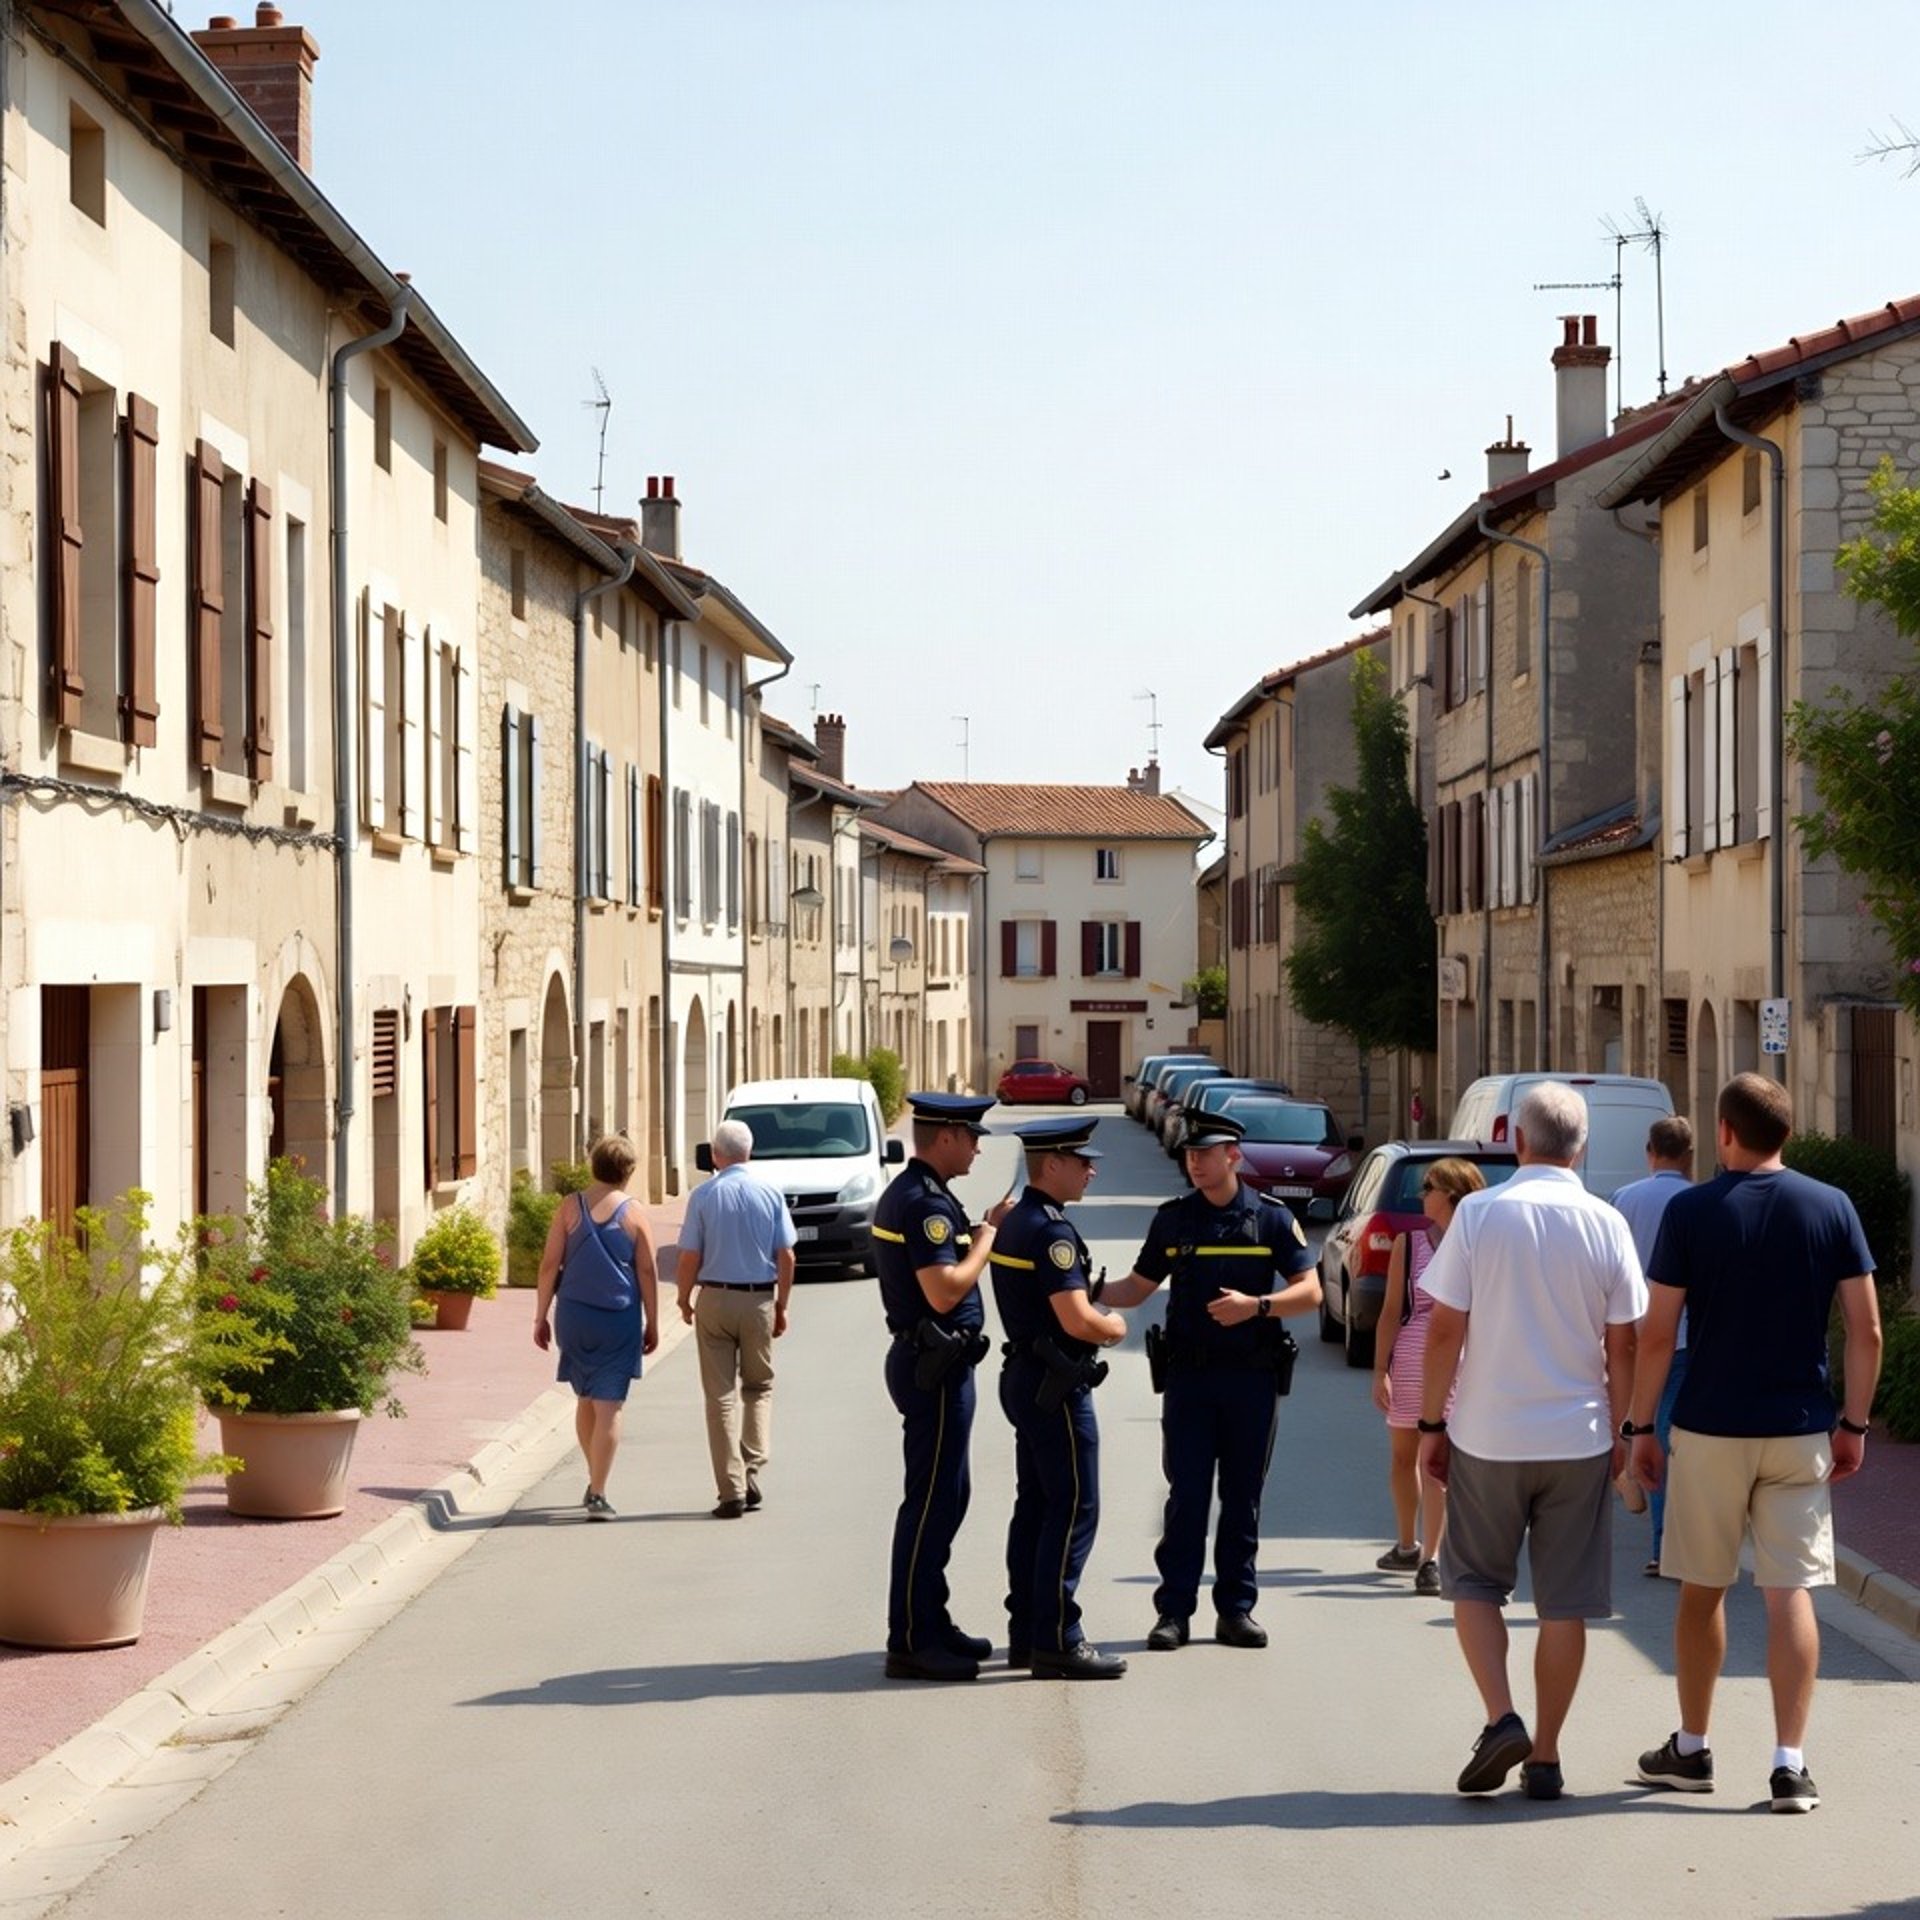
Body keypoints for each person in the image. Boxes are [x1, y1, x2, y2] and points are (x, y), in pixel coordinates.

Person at [1627, 1073, 1882, 1816]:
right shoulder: (1830, 1206)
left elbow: (1653, 1334)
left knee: (1703, 1588)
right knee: (1789, 1592)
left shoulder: (1691, 1212)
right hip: (1800, 1427)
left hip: (1708, 1427)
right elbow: (1865, 1329)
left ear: (1724, 1133)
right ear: (1787, 1135)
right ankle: (1789, 1765)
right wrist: (1856, 1423)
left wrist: (1641, 1426)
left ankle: (1692, 1747)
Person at [1417, 1082, 1646, 1802]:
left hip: (1489, 1432)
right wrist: (1622, 1430)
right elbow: (1625, 1344)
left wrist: (1431, 1422)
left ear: (1515, 1139)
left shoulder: (1479, 1215)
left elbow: (1446, 1327)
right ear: (1583, 1147)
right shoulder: (1606, 1222)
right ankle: (1545, 1755)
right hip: (1576, 1435)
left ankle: (1500, 1716)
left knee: (1475, 1582)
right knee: (1565, 1602)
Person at [1102, 1111, 1321, 1652]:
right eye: (1189, 1154)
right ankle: (1173, 1613)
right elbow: (1135, 1286)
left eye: (1206, 1153)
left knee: (1243, 1499)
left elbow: (1310, 1291)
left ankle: (1235, 1611)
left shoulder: (1269, 1218)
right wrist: (1081, 1288)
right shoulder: (1174, 1220)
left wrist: (1258, 1306)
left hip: (1251, 1380)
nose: (1195, 1162)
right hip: (1190, 1380)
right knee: (1187, 1498)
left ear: (1234, 1157)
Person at [874, 1092, 1014, 1681]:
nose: (980, 1147)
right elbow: (943, 1291)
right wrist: (986, 1239)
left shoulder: (926, 1195)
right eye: (973, 1136)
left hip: (941, 1366)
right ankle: (910, 1637)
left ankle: (931, 1618)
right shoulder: (924, 1204)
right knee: (930, 1503)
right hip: (931, 1367)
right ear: (947, 1136)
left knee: (947, 1498)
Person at [990, 1115, 1131, 1679]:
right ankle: (1058, 1637)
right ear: (1052, 1165)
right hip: (1055, 1386)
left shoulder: (1017, 1222)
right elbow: (1077, 1319)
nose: (1091, 1170)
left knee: (1036, 1507)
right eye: (1082, 1161)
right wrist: (1115, 1327)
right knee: (1074, 1509)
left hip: (1027, 1379)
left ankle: (1026, 1630)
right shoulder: (1050, 1232)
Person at [1372, 1157, 1486, 1596]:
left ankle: (1432, 1558)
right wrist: (1380, 1369)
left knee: (1435, 1461)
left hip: (1459, 1360)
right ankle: (1406, 1543)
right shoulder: (1409, 1242)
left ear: (1452, 1194)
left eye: (1429, 1187)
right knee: (1403, 1456)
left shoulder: (1478, 1243)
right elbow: (1388, 1313)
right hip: (1412, 1356)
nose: (1422, 1195)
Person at [675, 1118, 797, 1519]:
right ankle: (752, 1463)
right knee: (758, 1387)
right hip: (758, 1298)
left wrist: (683, 1298)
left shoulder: (703, 1195)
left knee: (720, 1397)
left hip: (714, 1295)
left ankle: (731, 1490)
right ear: (750, 1151)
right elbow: (787, 1255)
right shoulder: (770, 1192)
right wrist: (782, 1304)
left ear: (715, 1154)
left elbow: (689, 1255)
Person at [533, 1133, 660, 1519]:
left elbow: (548, 1265)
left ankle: (593, 1478)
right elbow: (647, 1270)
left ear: (594, 1166)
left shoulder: (569, 1208)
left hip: (573, 1314)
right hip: (617, 1318)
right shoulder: (634, 1213)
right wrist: (653, 1321)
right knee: (610, 1406)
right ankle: (599, 1492)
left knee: (585, 1398)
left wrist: (540, 1316)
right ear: (629, 1171)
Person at [1609, 1116, 1696, 1573]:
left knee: (1640, 1428)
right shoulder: (1698, 1200)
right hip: (1683, 1336)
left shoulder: (1624, 1199)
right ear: (1689, 1156)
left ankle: (1633, 1483)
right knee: (1670, 1436)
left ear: (1650, 1151)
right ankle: (1668, 1543)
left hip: (1635, 1334)